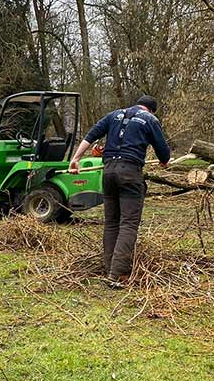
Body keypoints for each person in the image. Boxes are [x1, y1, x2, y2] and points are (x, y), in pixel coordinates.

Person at [69, 95, 171, 285]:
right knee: (129, 224)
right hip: (130, 173)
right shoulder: (150, 120)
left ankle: (109, 267)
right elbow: (164, 155)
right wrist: (164, 161)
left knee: (111, 222)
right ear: (151, 109)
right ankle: (118, 274)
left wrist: (75, 158)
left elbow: (90, 136)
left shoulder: (113, 115)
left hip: (108, 173)